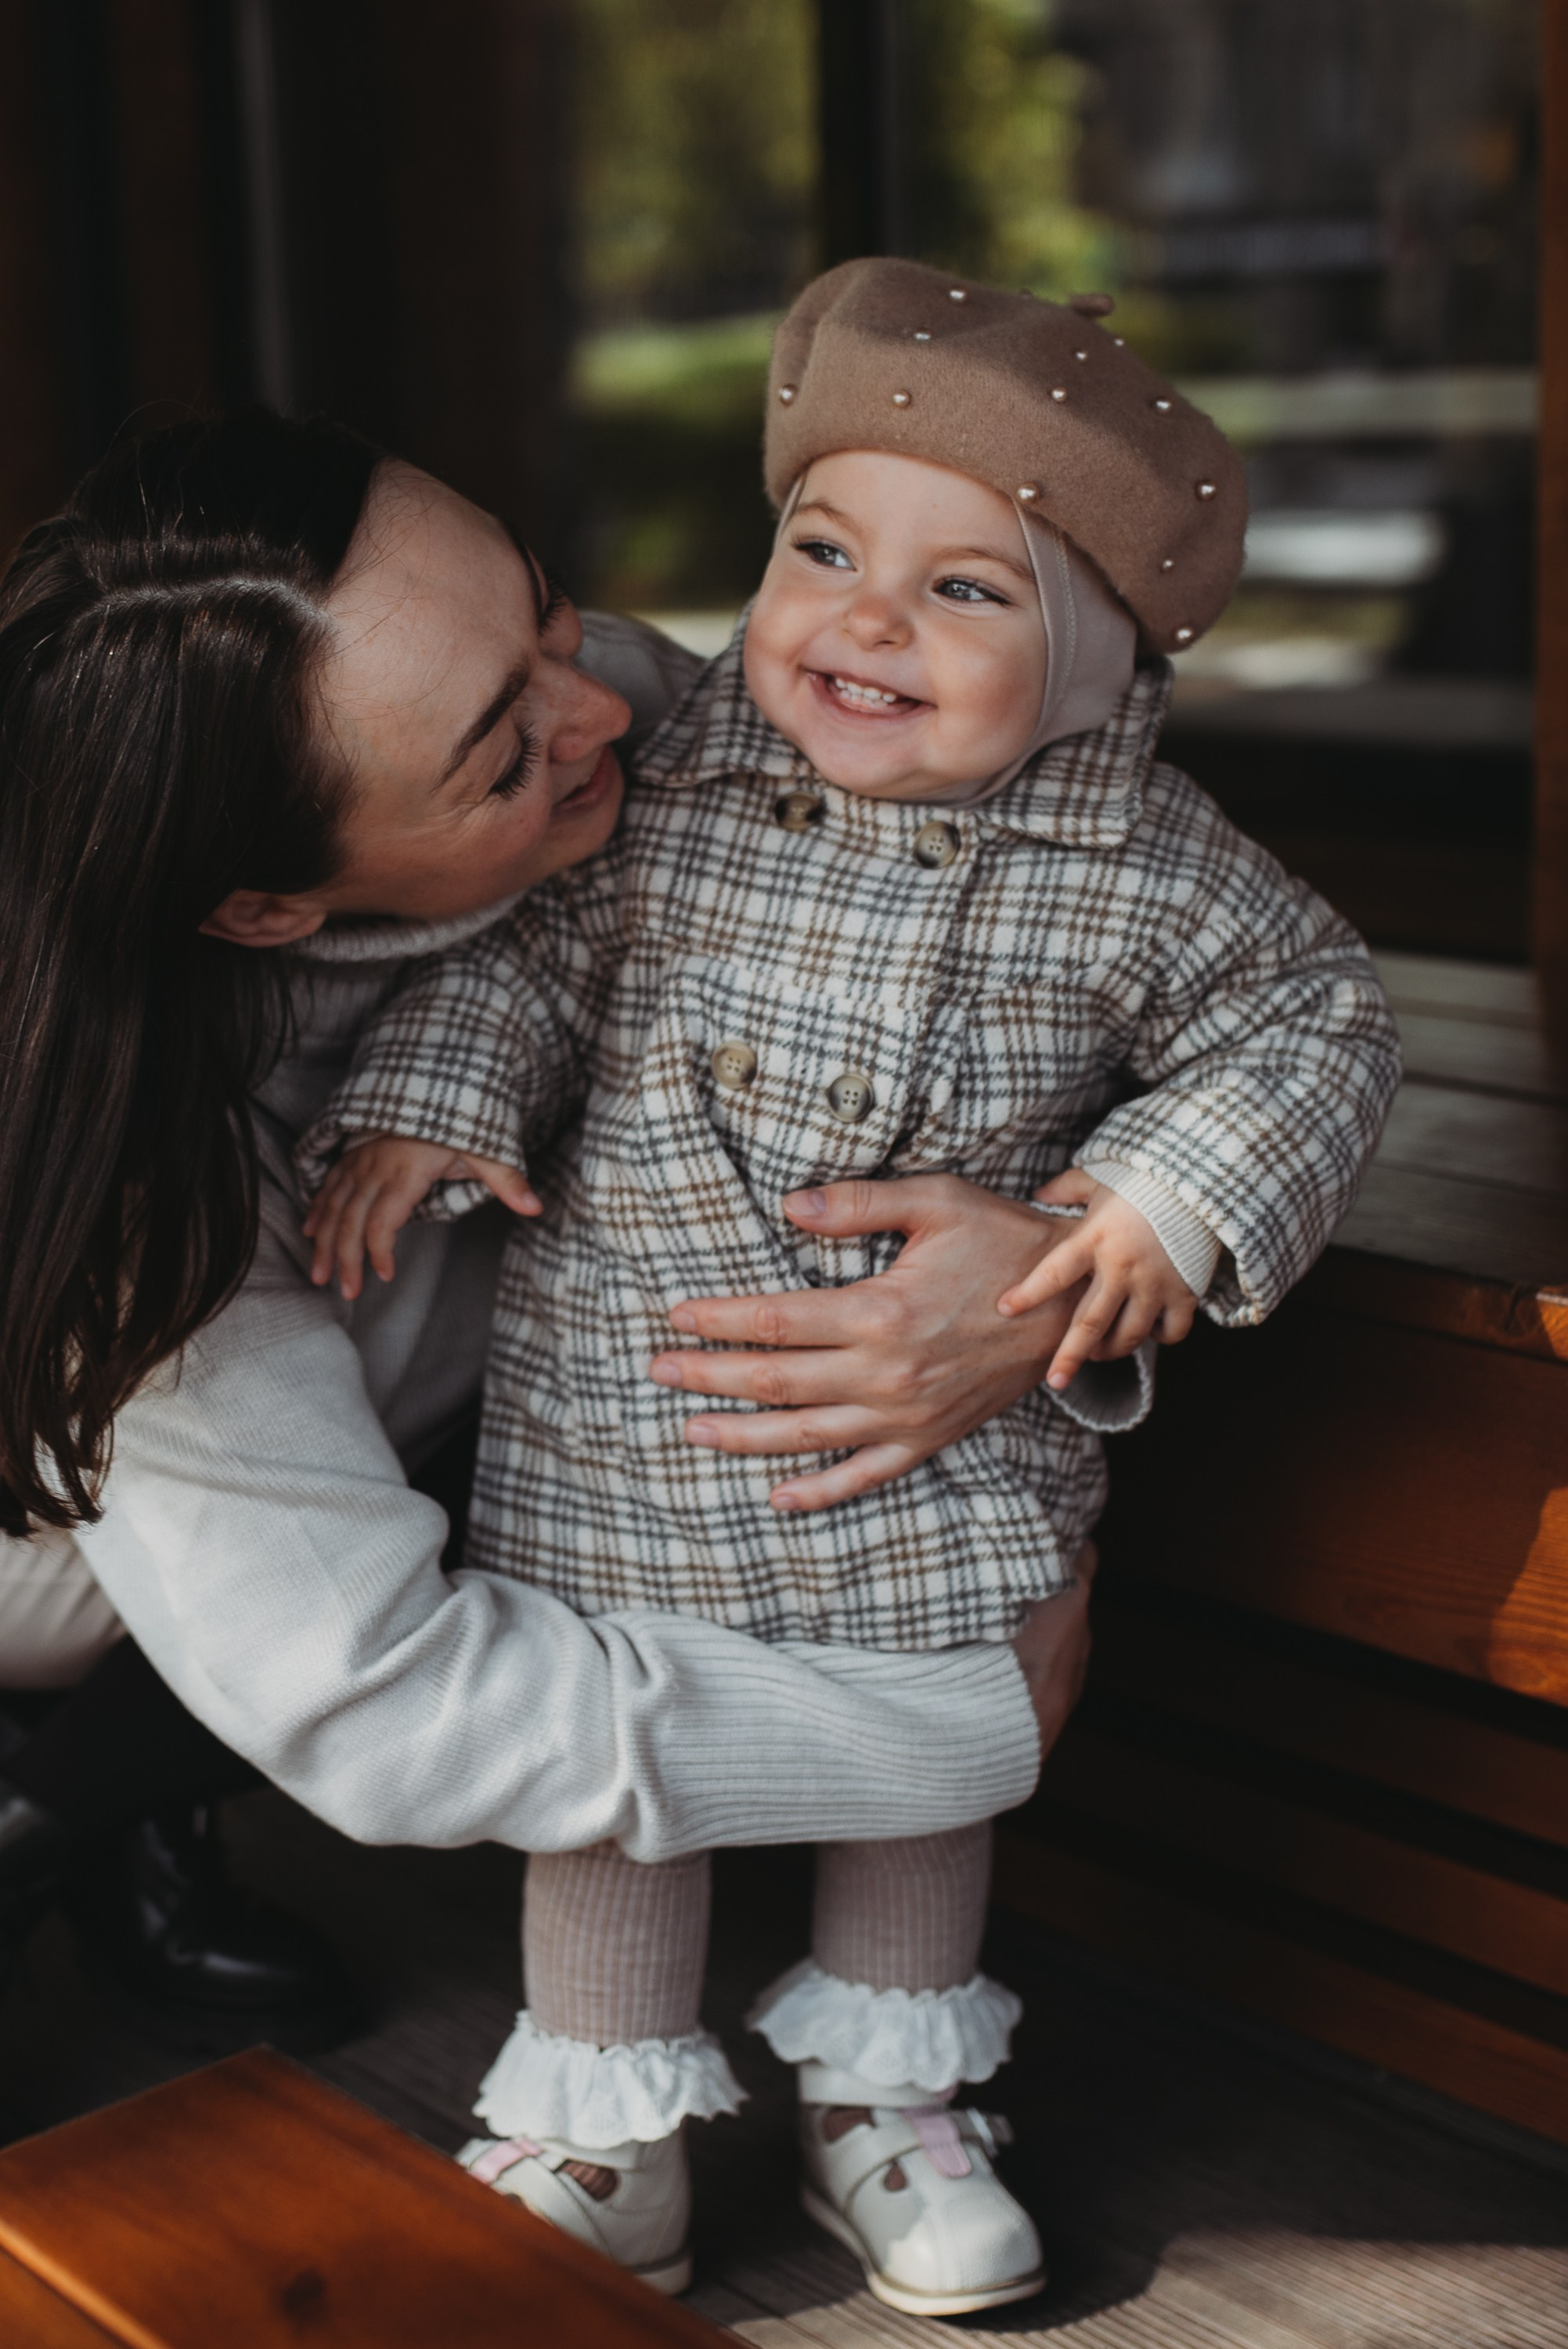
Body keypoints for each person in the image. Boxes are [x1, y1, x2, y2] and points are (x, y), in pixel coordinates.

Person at [301, 259, 1401, 2317]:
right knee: (607, 1773)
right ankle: (604, 2127)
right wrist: (432, 1105)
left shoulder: (1147, 855)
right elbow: (529, 958)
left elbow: (1317, 1020)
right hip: (633, 1414)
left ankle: (884, 2105)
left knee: (916, 1746)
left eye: (966, 591)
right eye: (822, 550)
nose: (864, 618)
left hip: (926, 1439)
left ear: (1083, 662)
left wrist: (1147, 1209)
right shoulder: (678, 774)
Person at [0, 410, 1100, 2038]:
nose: (613, 710)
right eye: (502, 754)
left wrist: (1076, 1231)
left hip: (439, 1352)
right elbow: (374, 1694)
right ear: (263, 909)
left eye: (547, 612)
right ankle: (60, 1810)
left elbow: (1109, 910)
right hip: (59, 1525)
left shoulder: (626, 713)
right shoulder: (142, 1173)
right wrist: (950, 1726)